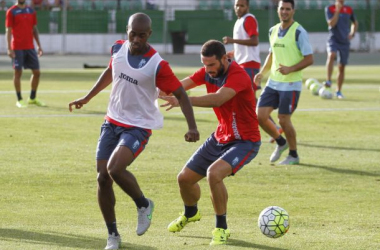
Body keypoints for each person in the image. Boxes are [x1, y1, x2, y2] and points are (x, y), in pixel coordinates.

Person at [68, 13, 199, 250]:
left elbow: (181, 94)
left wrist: (192, 126)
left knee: (115, 168)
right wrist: (88, 97)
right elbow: (111, 71)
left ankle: (143, 204)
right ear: (126, 30)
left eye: (142, 35)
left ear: (149, 35)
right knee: (102, 178)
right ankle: (113, 236)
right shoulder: (117, 48)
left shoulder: (158, 65)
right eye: (132, 34)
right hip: (112, 121)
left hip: (139, 125)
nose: (136, 39)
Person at [161, 40, 261, 245]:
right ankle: (191, 213)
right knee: (184, 179)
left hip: (245, 141)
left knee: (214, 174)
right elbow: (181, 85)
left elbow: (218, 99)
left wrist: (183, 99)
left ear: (224, 58)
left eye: (212, 65)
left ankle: (221, 227)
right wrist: (159, 89)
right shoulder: (207, 70)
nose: (208, 70)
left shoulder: (239, 75)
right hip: (220, 136)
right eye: (204, 65)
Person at [254, 0, 313, 165]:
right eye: (282, 8)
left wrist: (291, 69)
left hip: (291, 84)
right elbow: (272, 55)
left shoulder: (299, 32)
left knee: (283, 120)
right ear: (278, 10)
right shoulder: (273, 30)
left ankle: (293, 155)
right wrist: (262, 73)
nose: (284, 11)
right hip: (273, 83)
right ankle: (281, 142)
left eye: (288, 9)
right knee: (260, 116)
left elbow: (309, 58)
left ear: (293, 11)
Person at [222, 0, 282, 144]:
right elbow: (245, 43)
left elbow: (254, 41)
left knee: (248, 99)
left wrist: (232, 40)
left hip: (249, 64)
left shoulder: (249, 19)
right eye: (237, 5)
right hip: (243, 63)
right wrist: (234, 52)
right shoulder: (240, 21)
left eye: (242, 5)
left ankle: (273, 127)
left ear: (247, 7)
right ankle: (273, 127)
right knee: (246, 99)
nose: (239, 8)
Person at [5, 0, 45, 108]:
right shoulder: (11, 11)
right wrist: (9, 48)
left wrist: (39, 45)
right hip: (17, 47)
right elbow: (8, 31)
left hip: (30, 47)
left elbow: (34, 29)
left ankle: (32, 98)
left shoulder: (31, 11)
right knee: (18, 72)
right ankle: (19, 99)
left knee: (37, 72)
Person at [324, 0, 358, 99]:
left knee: (341, 67)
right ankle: (329, 80)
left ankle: (338, 91)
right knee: (331, 55)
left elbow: (355, 22)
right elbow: (331, 24)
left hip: (344, 41)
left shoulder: (349, 9)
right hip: (333, 39)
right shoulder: (329, 9)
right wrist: (337, 11)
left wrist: (352, 33)